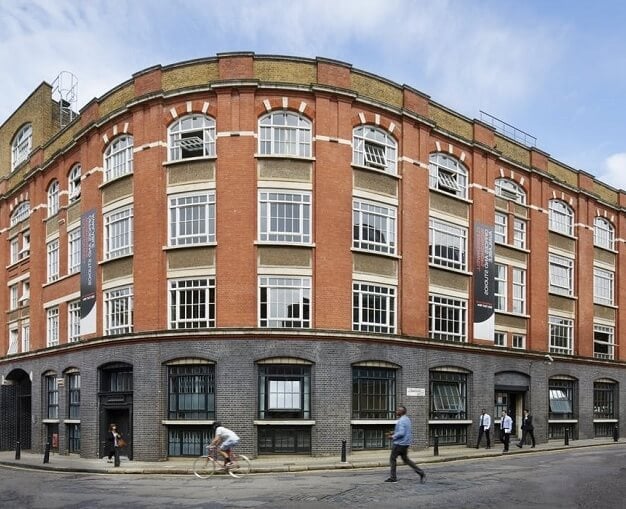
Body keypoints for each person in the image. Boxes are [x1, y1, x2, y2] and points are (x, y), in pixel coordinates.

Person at [384, 405, 426, 484]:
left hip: (399, 444)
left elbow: (402, 433)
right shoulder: (407, 419)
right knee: (406, 460)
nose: (396, 412)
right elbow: (404, 431)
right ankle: (421, 472)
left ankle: (393, 477)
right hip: (405, 443)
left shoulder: (401, 420)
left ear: (401, 412)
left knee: (392, 459)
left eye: (397, 410)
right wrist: (393, 432)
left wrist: (392, 437)